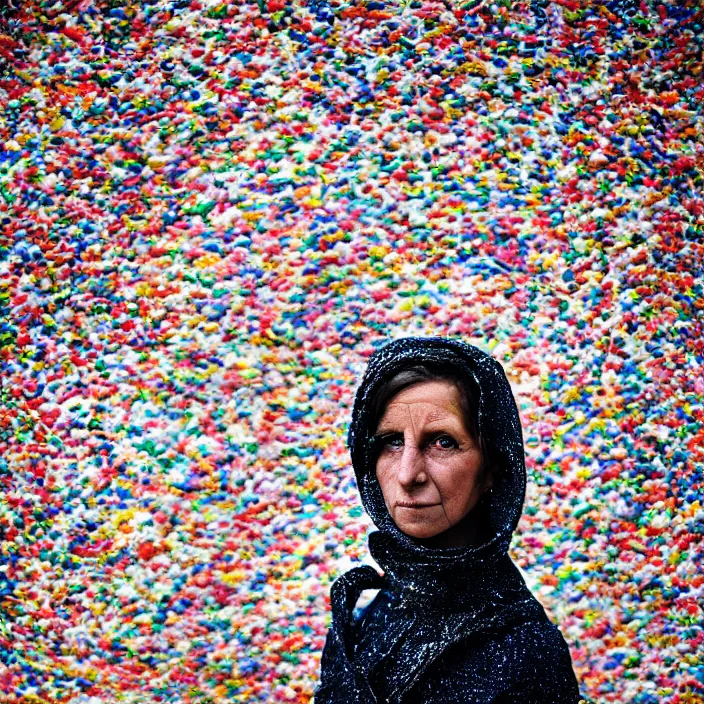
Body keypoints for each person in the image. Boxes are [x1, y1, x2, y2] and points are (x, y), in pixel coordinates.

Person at [315, 336, 582, 703]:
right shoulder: (371, 611)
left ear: (492, 466)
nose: (408, 475)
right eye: (392, 441)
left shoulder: (525, 653)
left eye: (442, 442)